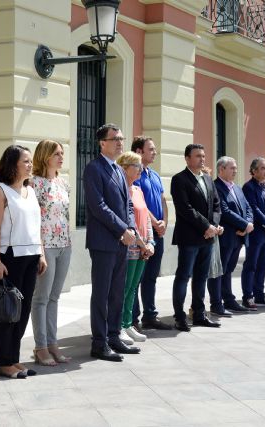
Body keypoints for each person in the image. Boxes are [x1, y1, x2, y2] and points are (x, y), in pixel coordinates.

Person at [0, 145, 45, 378]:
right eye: (26, 161)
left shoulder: (29, 190)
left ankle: (14, 358)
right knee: (8, 311)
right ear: (12, 164)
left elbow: (36, 225)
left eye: (31, 161)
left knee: (23, 309)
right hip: (8, 257)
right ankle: (4, 362)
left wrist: (40, 253)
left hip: (30, 256)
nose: (30, 165)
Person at [83, 124, 139, 362]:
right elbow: (98, 207)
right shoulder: (94, 169)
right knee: (102, 293)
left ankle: (114, 336)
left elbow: (127, 204)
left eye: (121, 139)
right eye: (114, 139)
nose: (119, 143)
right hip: (104, 241)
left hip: (121, 242)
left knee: (117, 292)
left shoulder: (117, 170)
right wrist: (121, 229)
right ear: (102, 143)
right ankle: (99, 342)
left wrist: (132, 229)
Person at [170, 144, 223, 332]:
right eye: (197, 156)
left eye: (203, 155)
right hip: (190, 237)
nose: (202, 159)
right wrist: (206, 226)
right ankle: (179, 317)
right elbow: (185, 209)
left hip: (208, 238)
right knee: (184, 276)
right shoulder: (179, 180)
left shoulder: (208, 179)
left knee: (201, 278)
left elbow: (217, 205)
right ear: (187, 158)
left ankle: (199, 314)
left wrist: (214, 226)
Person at [30, 140, 72, 366]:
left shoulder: (64, 184)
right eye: (57, 153)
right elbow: (33, 219)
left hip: (64, 245)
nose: (61, 157)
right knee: (41, 298)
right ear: (45, 156)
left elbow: (65, 216)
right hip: (45, 246)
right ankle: (41, 347)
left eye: (62, 153)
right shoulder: (34, 184)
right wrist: (39, 251)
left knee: (55, 297)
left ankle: (53, 344)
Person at [131, 136, 171, 331]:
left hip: (158, 234)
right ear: (139, 152)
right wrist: (155, 223)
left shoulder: (154, 175)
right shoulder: (134, 175)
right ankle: (133, 319)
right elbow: (139, 204)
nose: (155, 152)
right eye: (151, 149)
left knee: (151, 277)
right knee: (137, 278)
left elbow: (163, 199)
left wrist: (165, 221)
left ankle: (150, 316)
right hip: (142, 234)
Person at [116, 151, 154, 344]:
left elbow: (146, 217)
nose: (140, 169)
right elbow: (127, 221)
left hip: (143, 247)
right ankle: (119, 326)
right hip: (131, 246)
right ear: (124, 168)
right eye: (136, 166)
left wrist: (151, 242)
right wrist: (141, 243)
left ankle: (128, 323)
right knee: (124, 288)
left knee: (133, 288)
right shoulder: (122, 190)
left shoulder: (138, 190)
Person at [209, 156, 253, 313]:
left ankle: (228, 299)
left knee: (229, 269)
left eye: (236, 167)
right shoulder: (216, 187)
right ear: (221, 170)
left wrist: (248, 224)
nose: (235, 170)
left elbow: (247, 207)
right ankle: (216, 303)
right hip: (225, 236)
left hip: (239, 236)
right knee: (219, 270)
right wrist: (244, 224)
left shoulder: (237, 188)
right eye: (232, 168)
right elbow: (224, 212)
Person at [241, 157, 265, 307]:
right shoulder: (249, 187)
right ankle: (248, 296)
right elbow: (254, 209)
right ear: (254, 171)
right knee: (251, 265)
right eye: (263, 168)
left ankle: (259, 295)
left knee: (263, 265)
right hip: (256, 233)